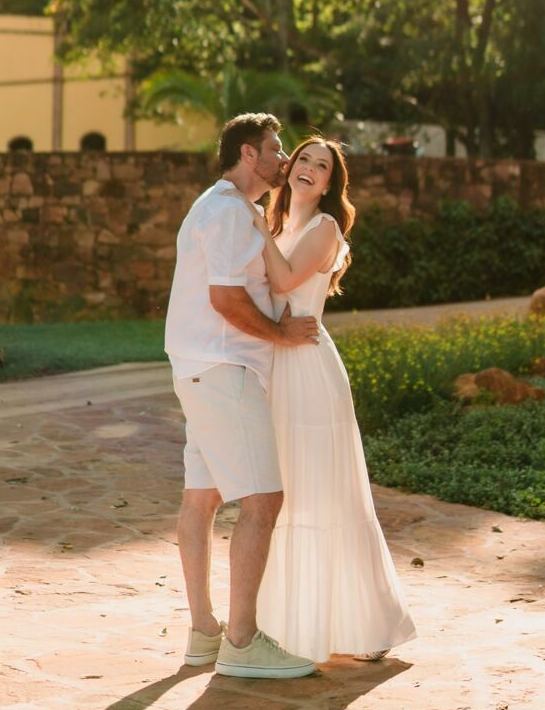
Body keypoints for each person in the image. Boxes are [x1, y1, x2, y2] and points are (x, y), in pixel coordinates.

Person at [224, 137, 416, 663]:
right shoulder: (279, 225)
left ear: (331, 183)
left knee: (324, 494)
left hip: (308, 368)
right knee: (282, 494)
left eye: (321, 165)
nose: (308, 168)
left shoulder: (325, 228)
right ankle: (286, 623)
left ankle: (365, 625)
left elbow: (286, 278)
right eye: (303, 159)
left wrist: (253, 220)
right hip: (276, 365)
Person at [164, 112, 321, 680]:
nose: (284, 159)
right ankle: (242, 641)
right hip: (225, 370)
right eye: (276, 149)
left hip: (200, 369)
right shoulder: (230, 211)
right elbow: (226, 298)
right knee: (263, 501)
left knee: (201, 499)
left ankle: (203, 632)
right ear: (248, 154)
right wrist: (280, 334)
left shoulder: (217, 205)